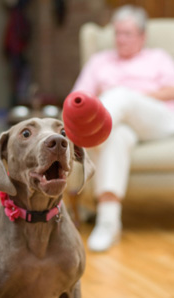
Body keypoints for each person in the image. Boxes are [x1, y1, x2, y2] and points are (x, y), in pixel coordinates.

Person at [72, 4, 174, 252]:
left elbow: (172, 88)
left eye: (127, 33)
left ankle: (89, 136)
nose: (120, 39)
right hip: (118, 124)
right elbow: (79, 95)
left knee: (122, 96)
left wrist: (131, 94)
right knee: (116, 136)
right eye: (117, 33)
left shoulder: (158, 58)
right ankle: (108, 222)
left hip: (157, 119)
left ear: (142, 36)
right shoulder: (100, 61)